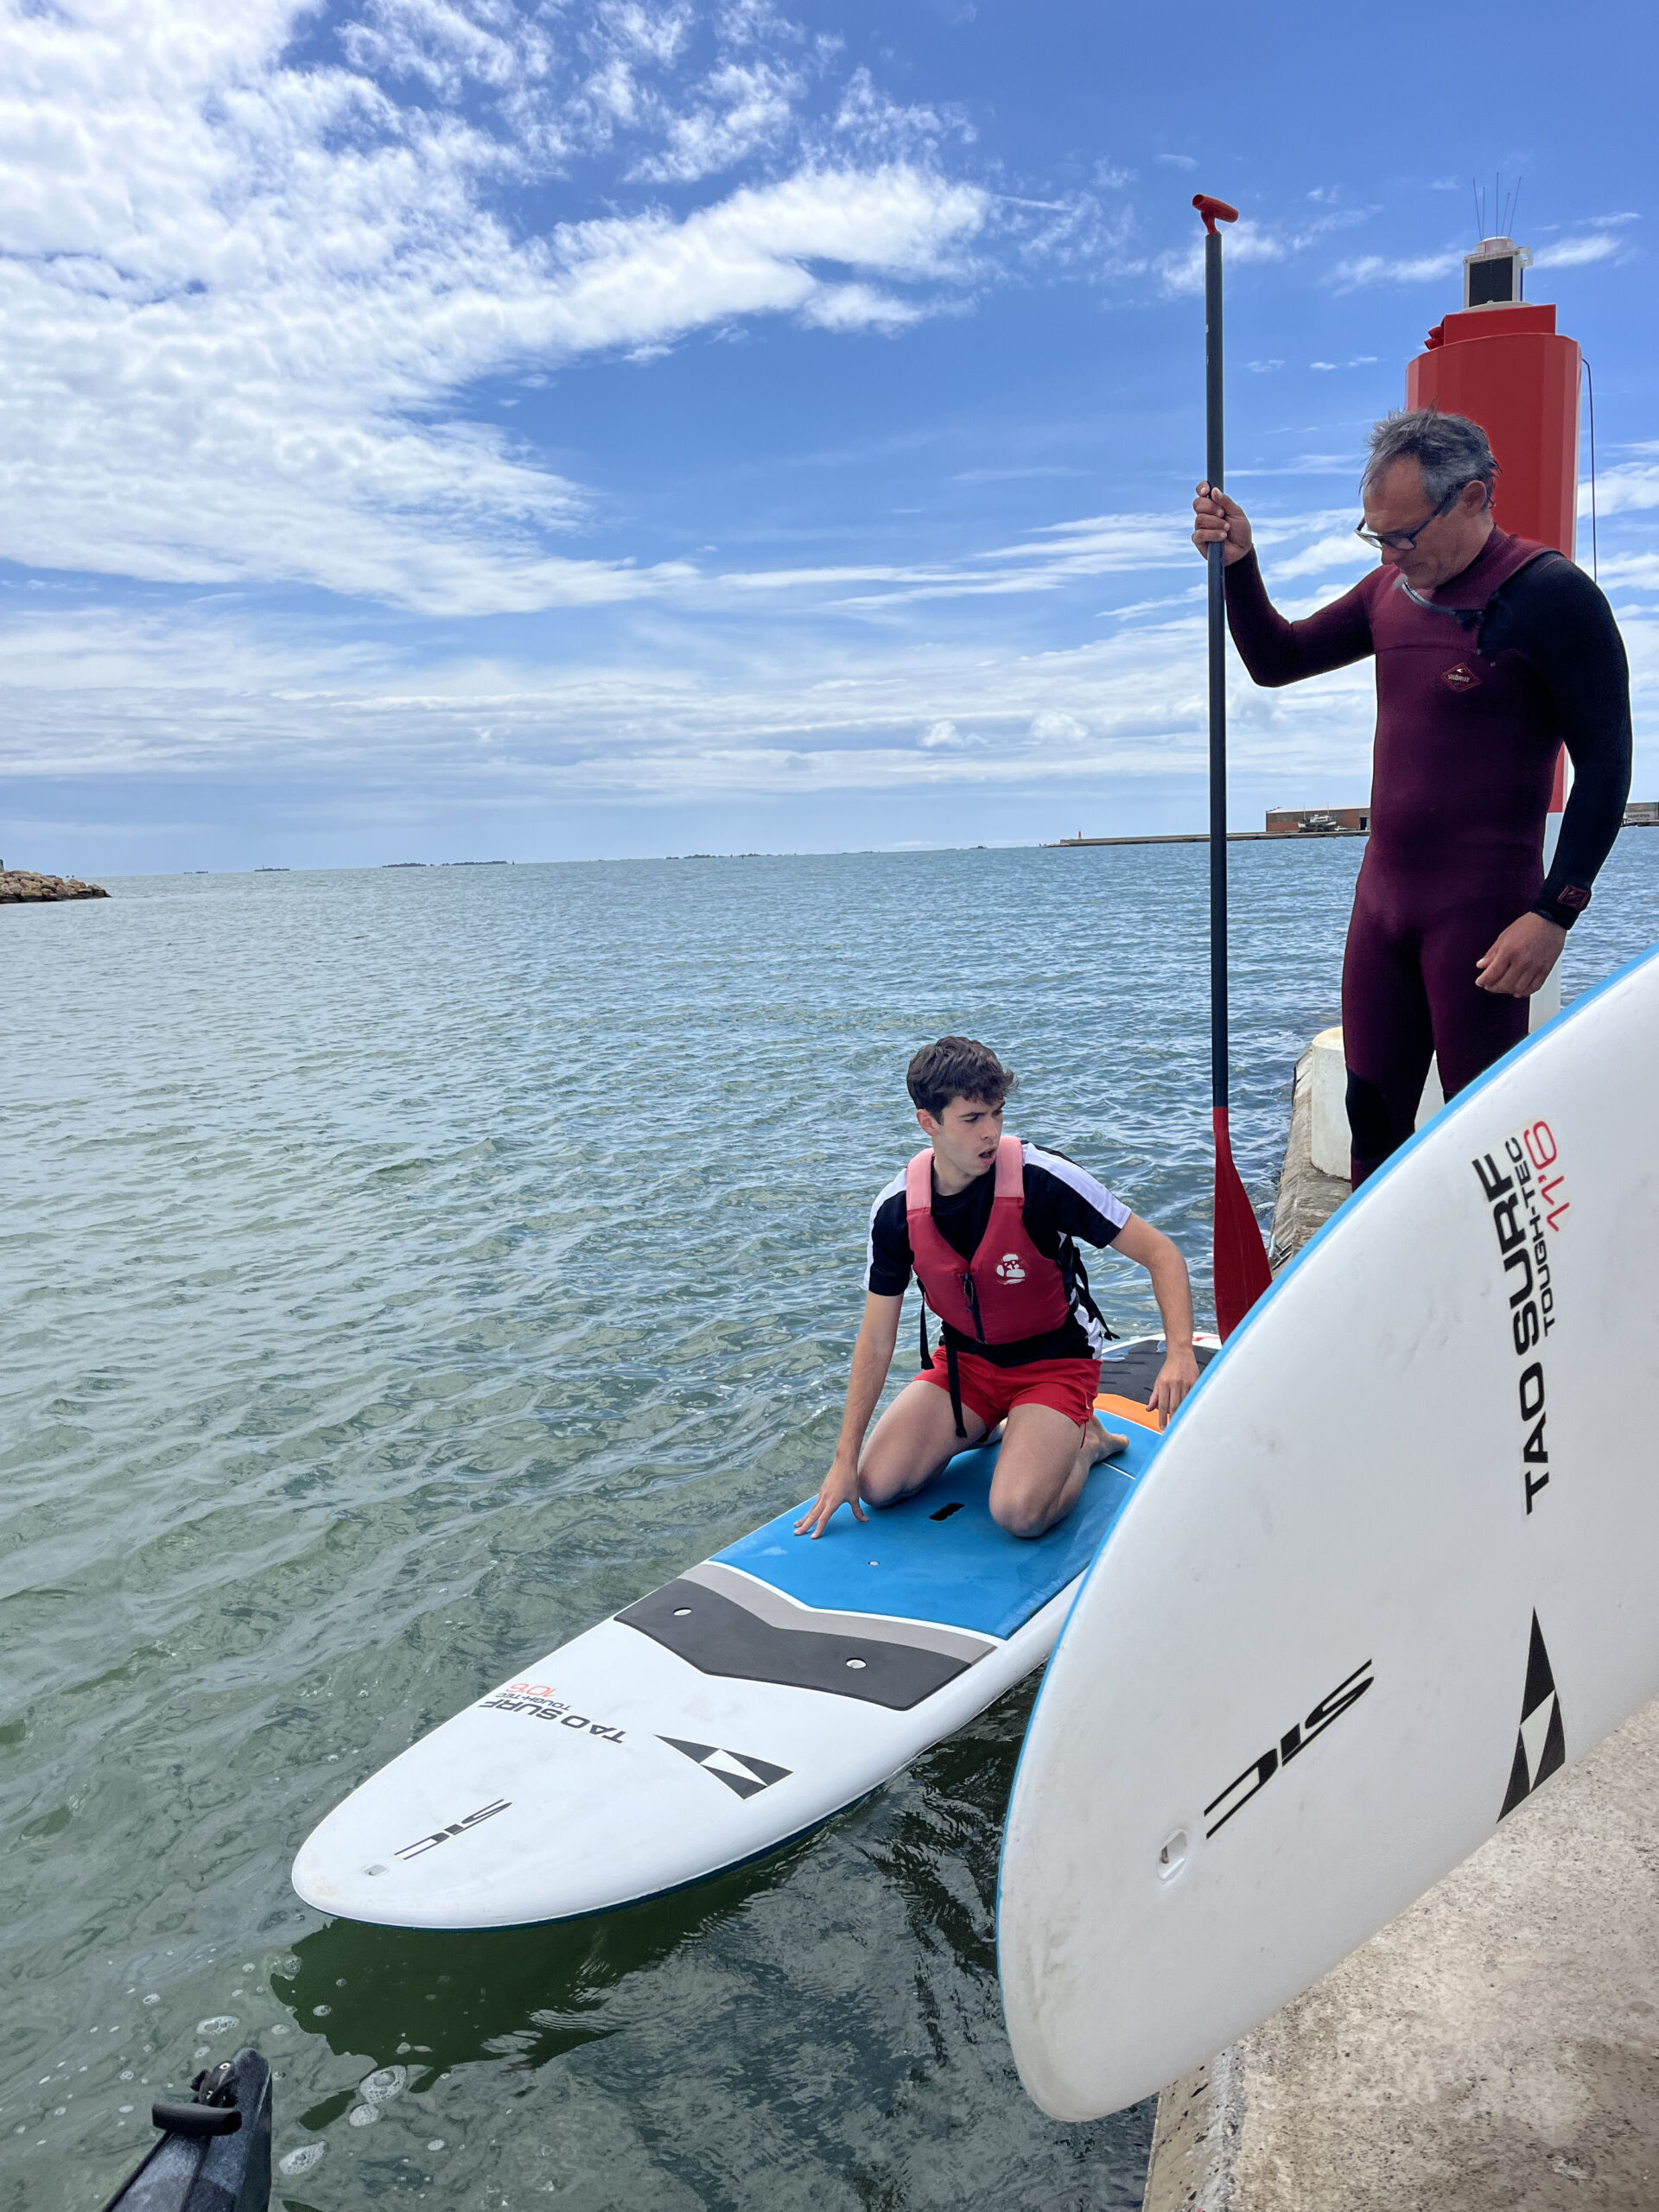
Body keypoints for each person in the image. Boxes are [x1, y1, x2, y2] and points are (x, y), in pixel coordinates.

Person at [1192, 408, 1631, 1183]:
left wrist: (1554, 914)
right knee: (1372, 1120)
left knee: (1487, 1137)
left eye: (1403, 536)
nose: (1392, 555)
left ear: (1473, 497)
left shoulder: (1553, 596)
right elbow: (1276, 659)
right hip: (1382, 910)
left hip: (1485, 920)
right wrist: (1239, 562)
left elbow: (1607, 766)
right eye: (1377, 537)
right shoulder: (1389, 590)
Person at [795, 1036, 1198, 1542]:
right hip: (966, 1367)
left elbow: (1162, 1254)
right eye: (971, 1119)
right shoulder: (896, 1210)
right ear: (928, 1122)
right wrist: (843, 1460)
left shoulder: (1044, 1179)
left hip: (1055, 1363)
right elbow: (876, 1340)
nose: (990, 1132)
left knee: (1018, 1514)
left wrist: (1180, 1353)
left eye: (997, 1113)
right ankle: (993, 1427)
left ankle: (1086, 1444)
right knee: (877, 1485)